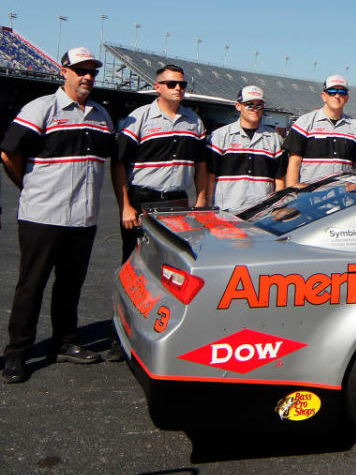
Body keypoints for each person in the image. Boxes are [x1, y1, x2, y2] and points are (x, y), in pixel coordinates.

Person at [1, 47, 118, 382]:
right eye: (80, 70)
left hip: (84, 218)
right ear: (63, 71)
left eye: (92, 71)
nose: (87, 77)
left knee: (71, 285)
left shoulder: (101, 115)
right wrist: (31, 188)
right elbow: (9, 153)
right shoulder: (41, 108)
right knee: (31, 286)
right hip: (42, 215)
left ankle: (65, 342)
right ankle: (17, 352)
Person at [115, 64, 208, 267]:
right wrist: (125, 206)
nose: (178, 88)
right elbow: (119, 163)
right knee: (135, 260)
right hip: (143, 199)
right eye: (171, 83)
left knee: (172, 262)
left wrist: (201, 199)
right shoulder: (139, 118)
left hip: (177, 201)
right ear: (157, 87)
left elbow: (201, 164)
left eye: (182, 84)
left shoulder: (194, 122)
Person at [206, 86, 287, 212]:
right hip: (226, 210)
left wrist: (278, 208)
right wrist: (208, 207)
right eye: (249, 105)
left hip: (262, 212)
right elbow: (210, 176)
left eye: (259, 105)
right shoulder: (220, 136)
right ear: (238, 106)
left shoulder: (274, 139)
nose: (255, 109)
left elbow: (280, 180)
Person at [283, 74, 356, 186]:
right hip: (311, 196)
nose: (337, 96)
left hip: (344, 198)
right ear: (323, 96)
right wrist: (292, 191)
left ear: (347, 98)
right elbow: (294, 162)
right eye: (332, 92)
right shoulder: (305, 122)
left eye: (342, 92)